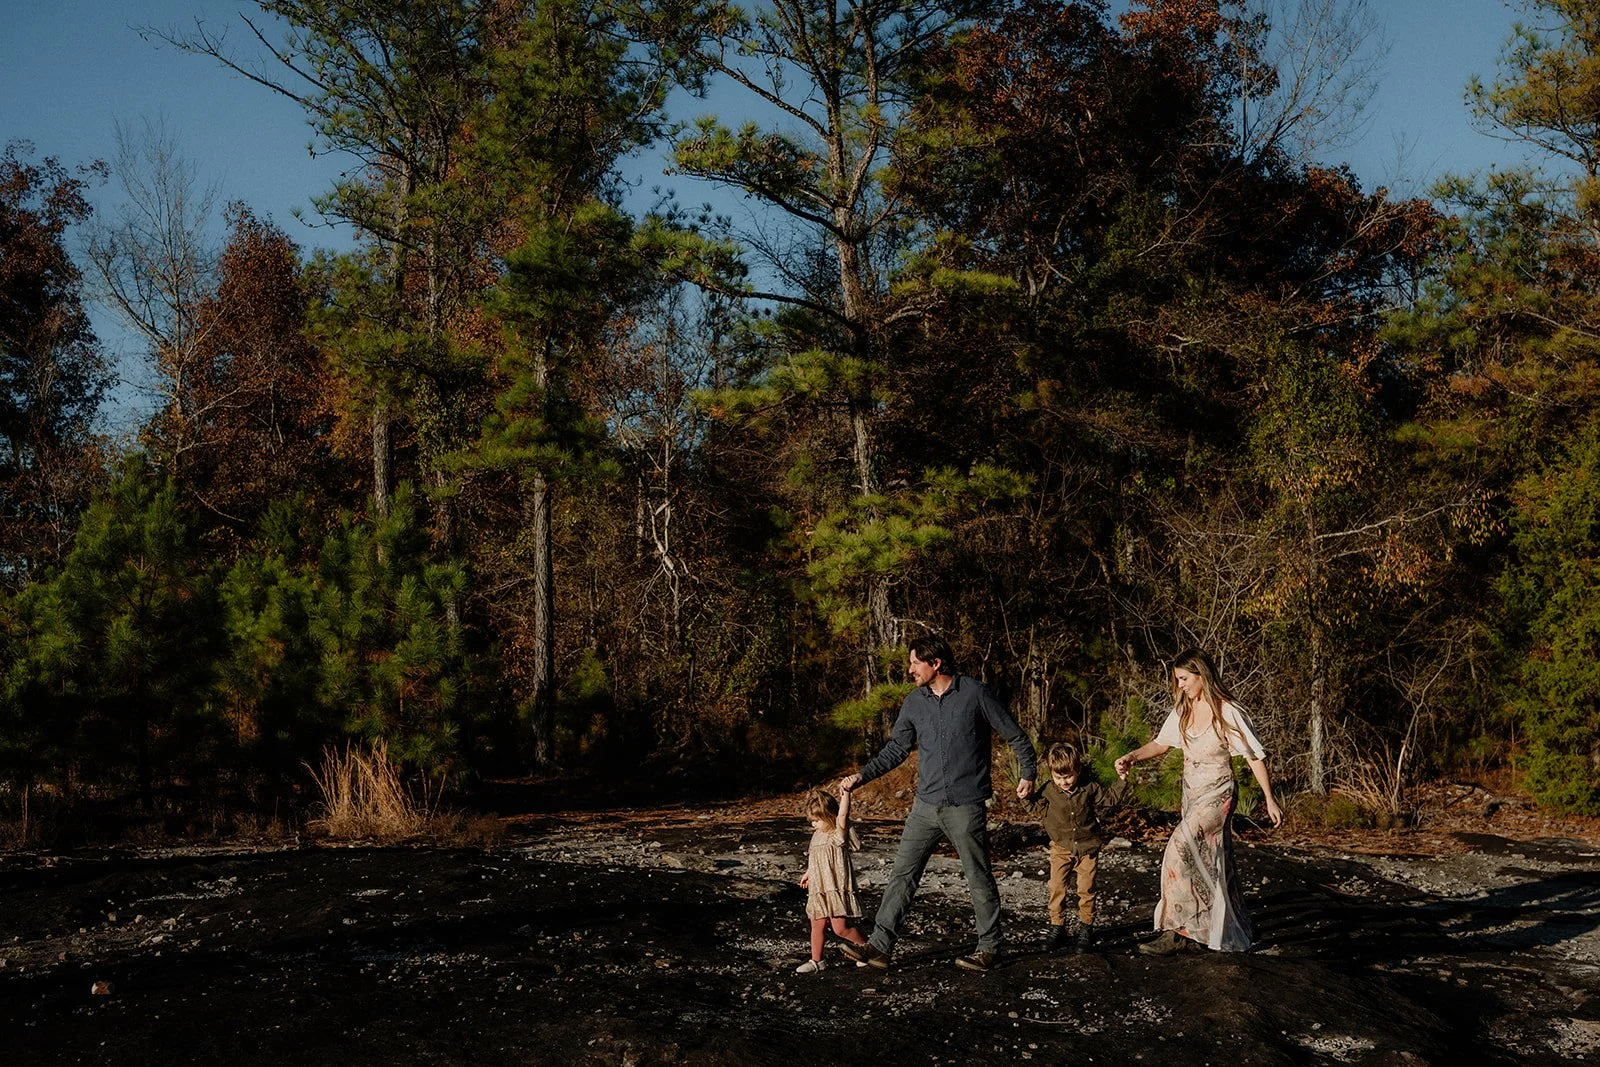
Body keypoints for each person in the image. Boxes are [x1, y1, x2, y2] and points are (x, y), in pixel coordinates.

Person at [838, 634, 1037, 973]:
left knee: (978, 877)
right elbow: (896, 750)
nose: (910, 669)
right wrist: (862, 776)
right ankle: (880, 948)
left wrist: (1028, 772)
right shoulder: (914, 703)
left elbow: (1016, 735)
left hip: (966, 805)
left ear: (936, 663)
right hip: (924, 807)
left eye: (915, 662)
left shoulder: (976, 693)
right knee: (902, 875)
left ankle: (989, 948)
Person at [1114, 648, 1284, 954]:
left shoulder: (1227, 711)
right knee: (1209, 859)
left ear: (1201, 675)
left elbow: (1254, 756)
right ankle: (1213, 926)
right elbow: (1161, 743)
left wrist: (1269, 799)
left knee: (1178, 850)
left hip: (1218, 794)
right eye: (1177, 679)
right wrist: (1131, 757)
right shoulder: (1183, 709)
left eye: (1183, 679)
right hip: (1191, 793)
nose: (1179, 685)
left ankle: (1175, 930)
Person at [1022, 741, 1129, 953]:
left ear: (1077, 771)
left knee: (1086, 889)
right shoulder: (1048, 791)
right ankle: (1057, 926)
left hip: (1087, 848)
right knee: (1057, 887)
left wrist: (1122, 780)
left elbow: (1109, 799)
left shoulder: (1088, 788)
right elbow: (1034, 807)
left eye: (1068, 776)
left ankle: (1086, 928)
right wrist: (1024, 796)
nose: (1064, 782)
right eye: (1058, 777)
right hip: (1061, 848)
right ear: (1052, 774)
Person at [795, 787, 871, 973]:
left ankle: (869, 950)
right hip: (819, 888)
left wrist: (846, 795)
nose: (813, 825)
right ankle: (816, 960)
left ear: (829, 815)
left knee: (840, 928)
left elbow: (844, 813)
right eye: (812, 821)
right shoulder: (817, 836)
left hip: (834, 886)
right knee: (816, 924)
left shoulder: (838, 833)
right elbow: (816, 859)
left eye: (816, 820)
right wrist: (808, 873)